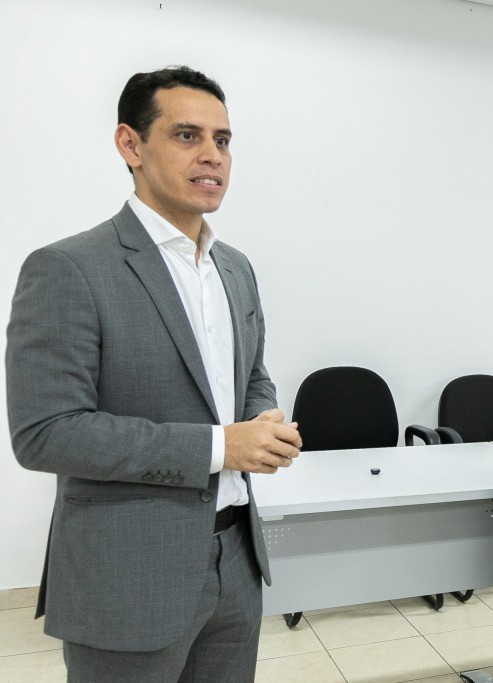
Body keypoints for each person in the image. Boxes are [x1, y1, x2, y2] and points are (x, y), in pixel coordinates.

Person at [6, 66, 303, 682]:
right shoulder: (68, 268)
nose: (212, 155)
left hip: (237, 562)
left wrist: (263, 416)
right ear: (131, 145)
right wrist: (221, 447)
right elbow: (46, 433)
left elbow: (252, 374)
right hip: (127, 575)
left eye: (223, 140)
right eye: (187, 135)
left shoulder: (235, 268)